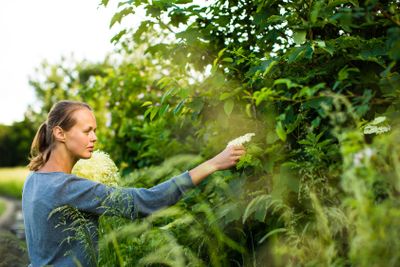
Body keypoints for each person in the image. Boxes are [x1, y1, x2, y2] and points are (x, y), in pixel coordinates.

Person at [22, 100, 246, 267]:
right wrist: (213, 164)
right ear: (60, 133)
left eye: (95, 131)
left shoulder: (34, 178)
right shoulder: (66, 187)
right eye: (87, 131)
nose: (94, 138)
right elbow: (145, 202)